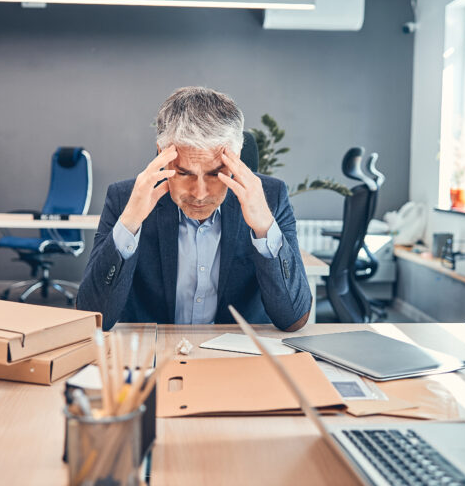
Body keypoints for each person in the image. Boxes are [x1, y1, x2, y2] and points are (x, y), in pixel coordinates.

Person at [77, 86, 311, 331]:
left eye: (215, 173)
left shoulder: (270, 197)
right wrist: (130, 223)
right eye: (184, 173)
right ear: (162, 153)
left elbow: (293, 319)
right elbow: (92, 317)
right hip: (156, 357)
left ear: (237, 156)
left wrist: (264, 227)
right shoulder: (125, 198)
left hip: (237, 360)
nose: (199, 193)